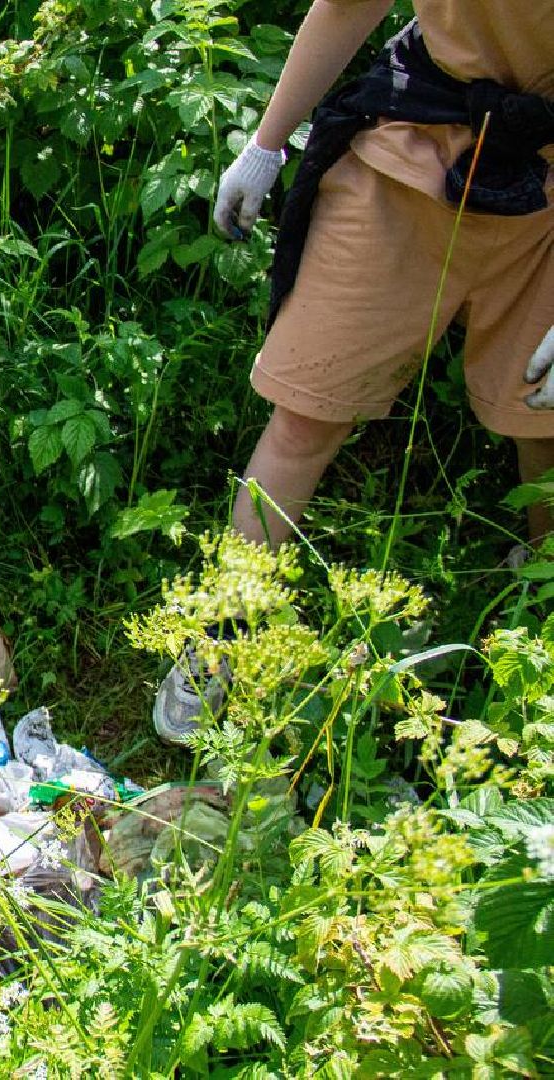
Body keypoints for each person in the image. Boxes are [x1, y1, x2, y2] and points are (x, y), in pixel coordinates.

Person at [155, 0, 554, 741]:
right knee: (304, 410)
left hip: (548, 206)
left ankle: (538, 622)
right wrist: (264, 146)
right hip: (409, 156)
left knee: (541, 430)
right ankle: (225, 634)